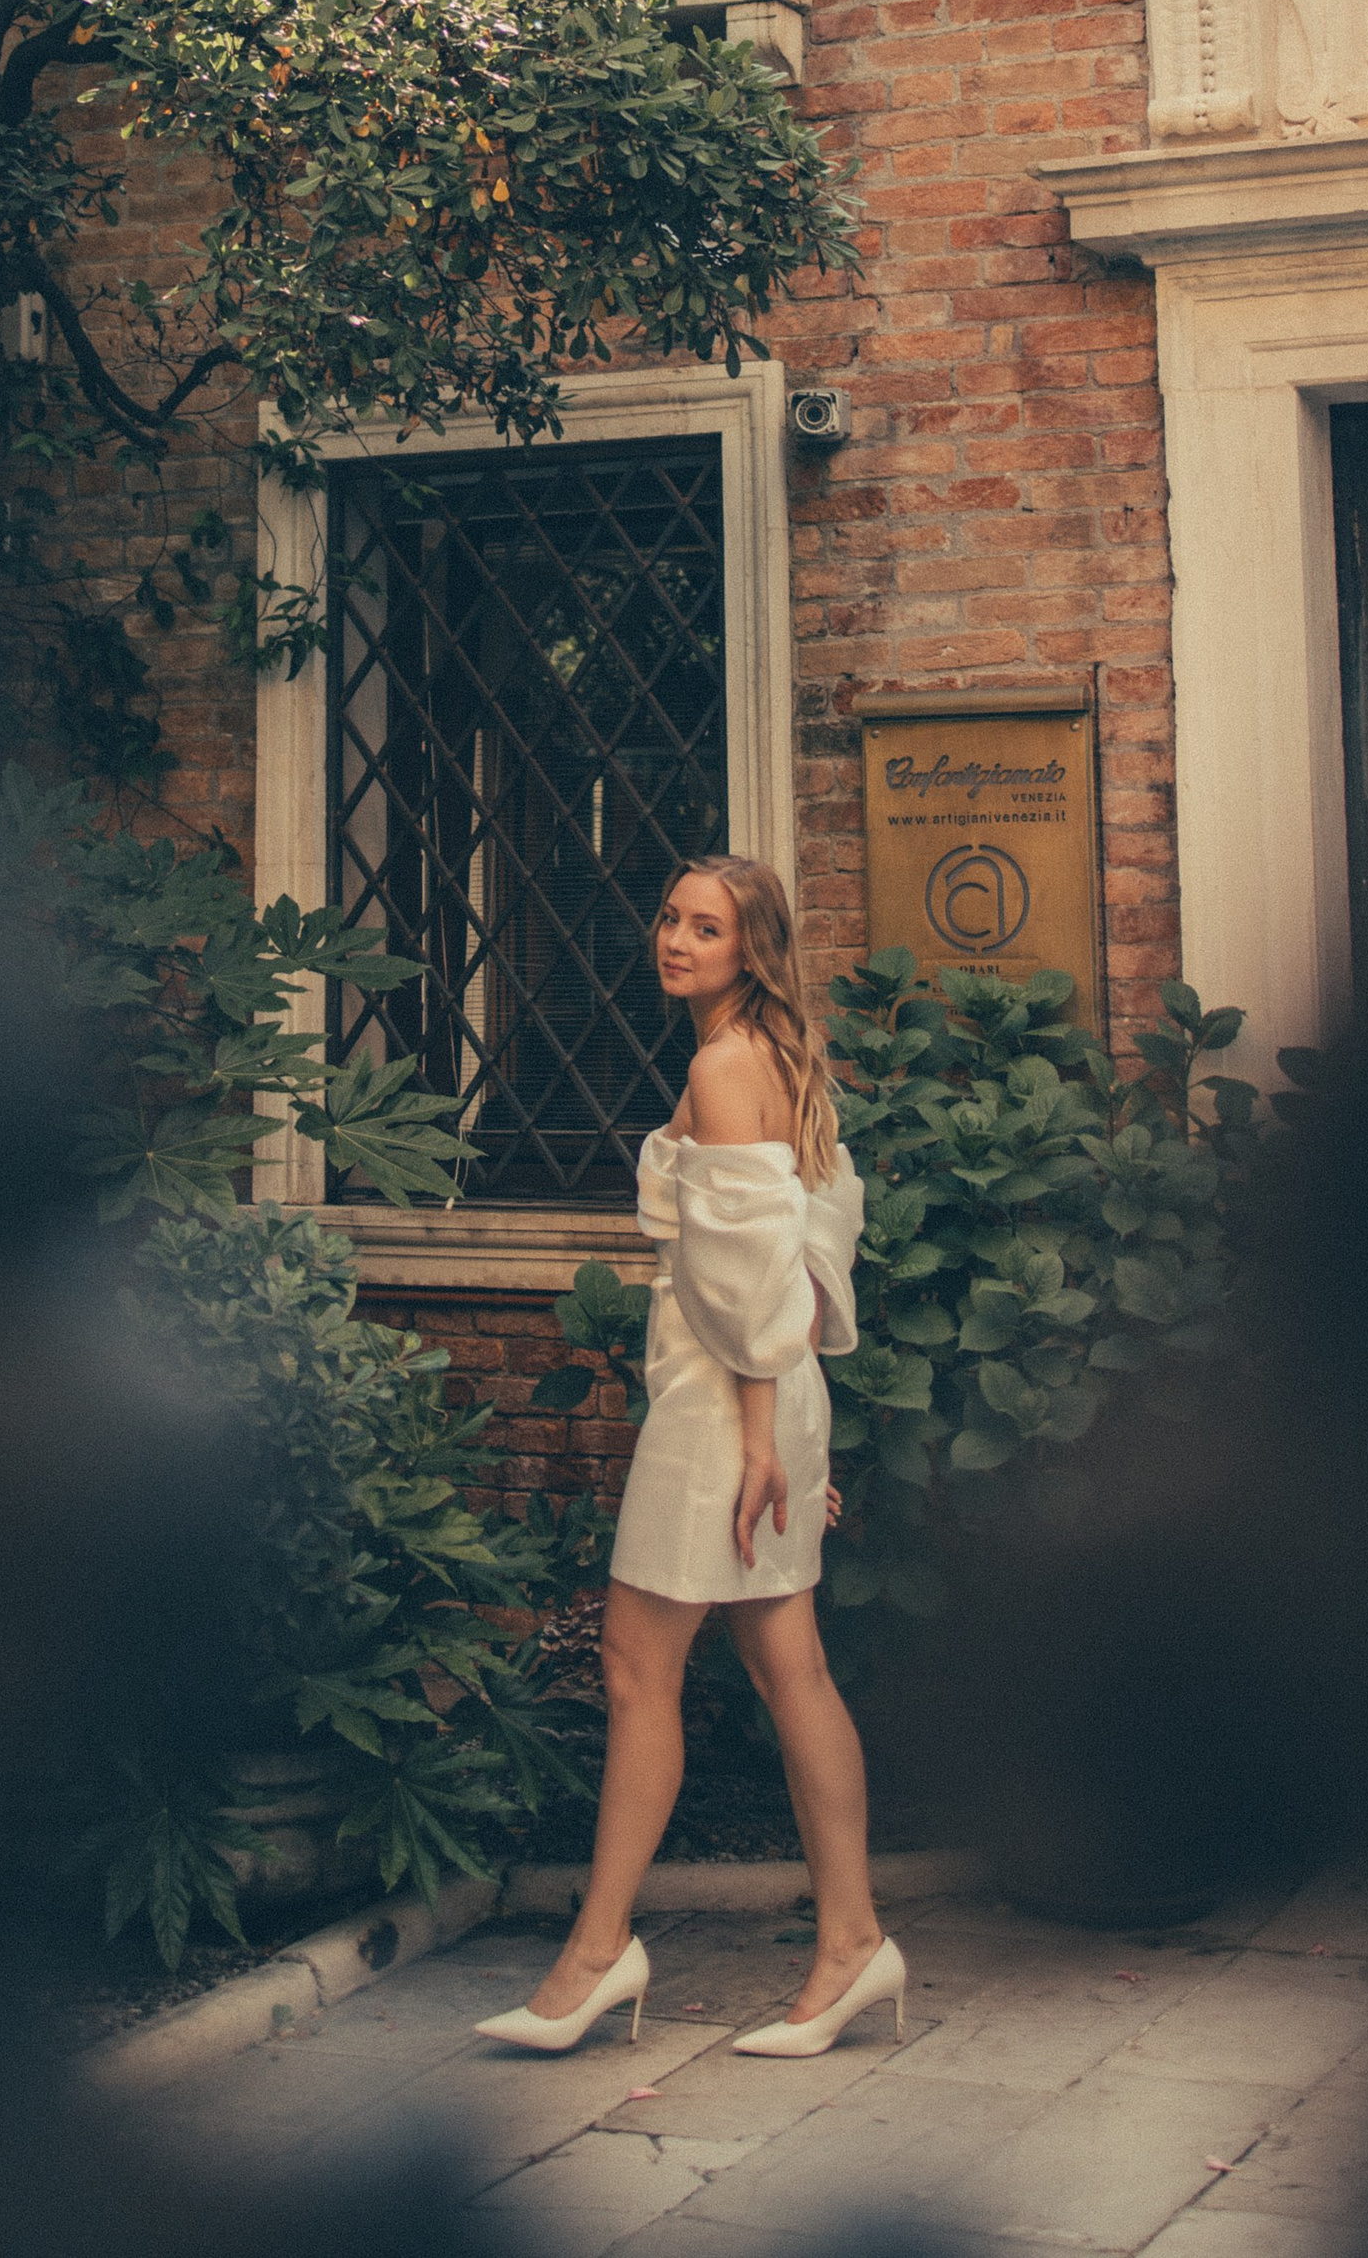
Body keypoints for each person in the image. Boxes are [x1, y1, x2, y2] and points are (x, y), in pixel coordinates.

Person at [473, 856, 904, 2062]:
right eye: (668, 916)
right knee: (786, 1664)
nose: (673, 939)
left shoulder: (725, 1065)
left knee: (633, 1664)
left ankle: (599, 1955)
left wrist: (766, 1442)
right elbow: (816, 1237)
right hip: (762, 1390)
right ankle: (851, 1938)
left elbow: (755, 1281)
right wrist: (794, 1421)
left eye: (704, 927)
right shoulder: (772, 1056)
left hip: (729, 1404)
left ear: (749, 947)